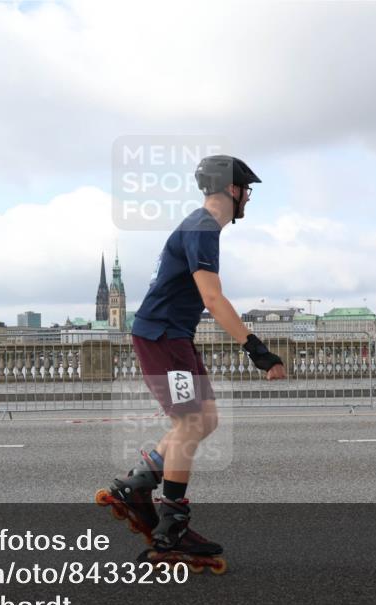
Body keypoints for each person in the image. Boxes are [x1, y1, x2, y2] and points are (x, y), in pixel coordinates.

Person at [98, 155, 286, 560]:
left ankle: (141, 481)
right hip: (163, 336)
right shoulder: (202, 228)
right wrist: (257, 349)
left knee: (206, 419)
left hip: (172, 336)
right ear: (232, 189)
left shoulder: (199, 226)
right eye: (246, 190)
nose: (248, 198)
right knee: (191, 422)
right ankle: (172, 525)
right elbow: (213, 298)